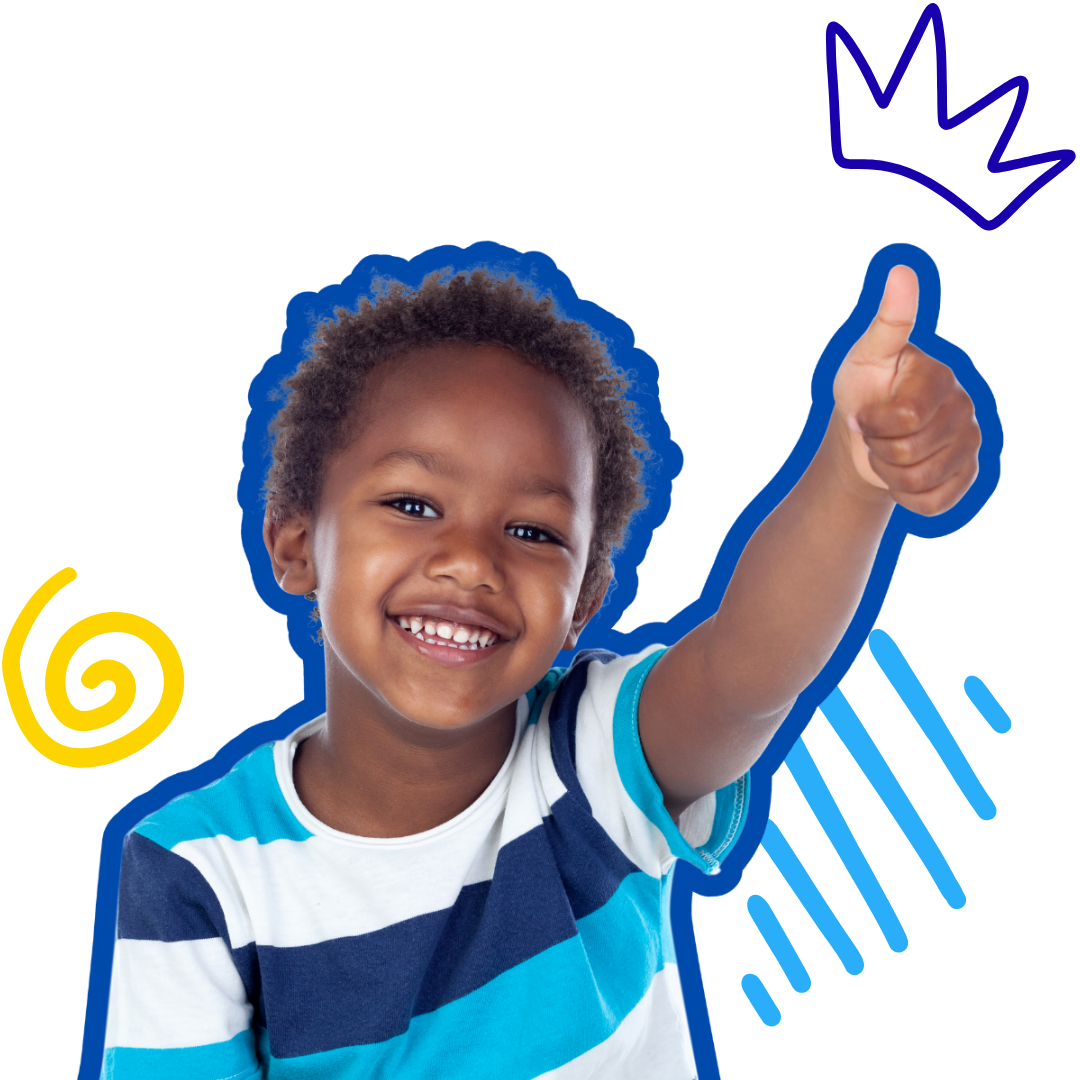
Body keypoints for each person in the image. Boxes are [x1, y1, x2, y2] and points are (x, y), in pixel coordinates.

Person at [100, 264, 980, 1079]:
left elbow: (745, 670)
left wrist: (853, 478)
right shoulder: (198, 869)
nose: (470, 561)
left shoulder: (593, 760)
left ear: (583, 601)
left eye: (532, 532)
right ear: (296, 546)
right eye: (413, 504)